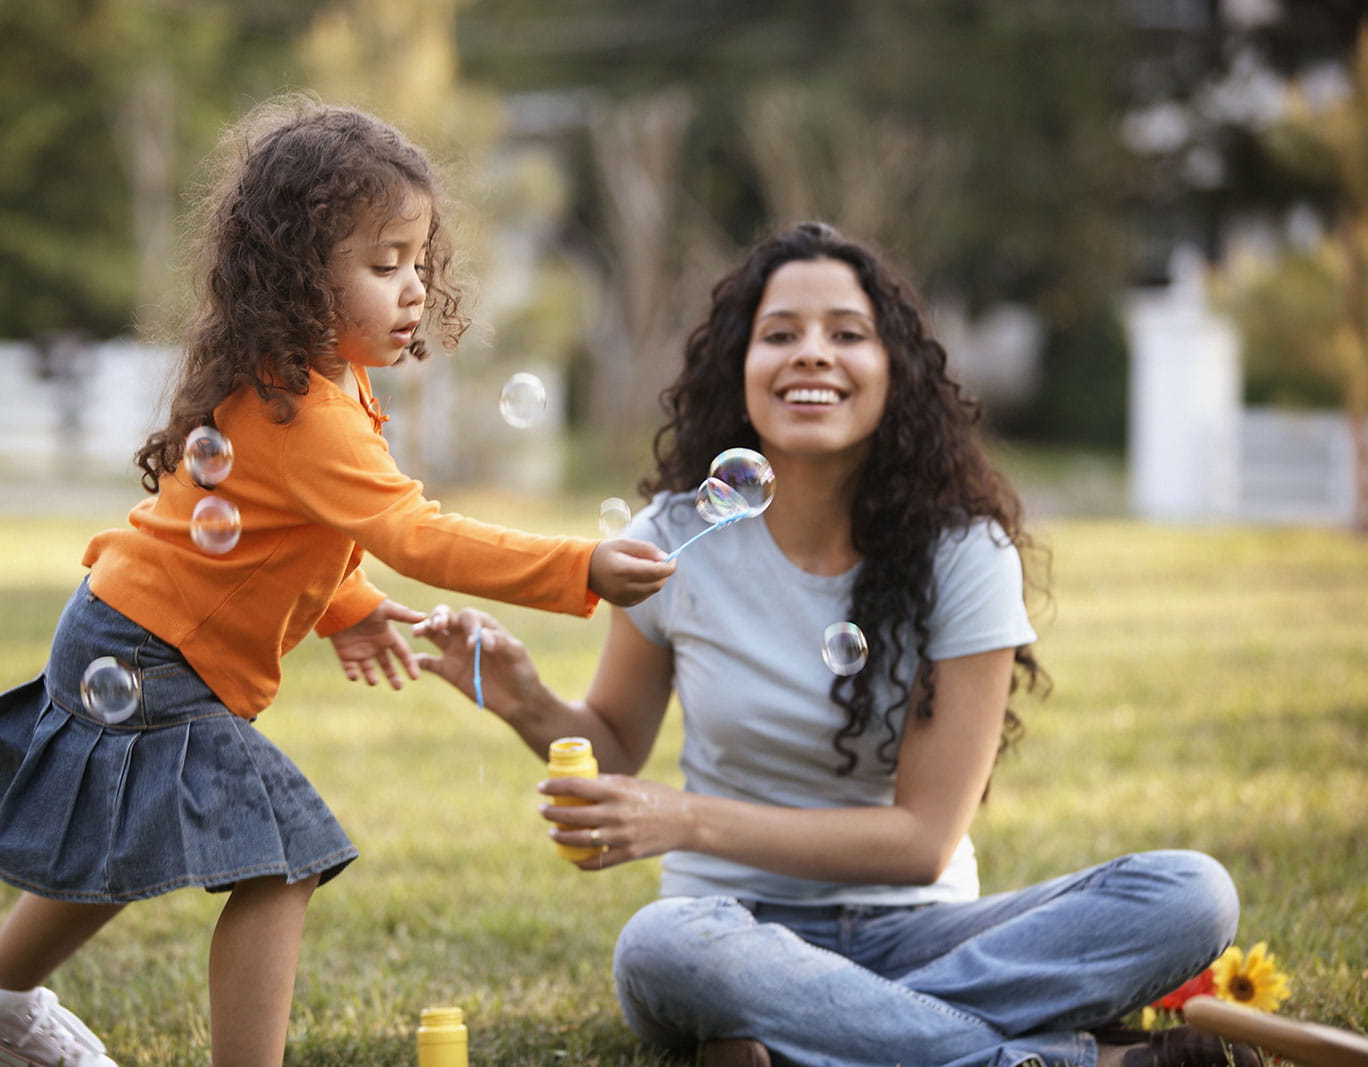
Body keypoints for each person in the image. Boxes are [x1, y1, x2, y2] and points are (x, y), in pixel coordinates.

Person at [0, 96, 674, 1067]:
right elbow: (411, 531)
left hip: (133, 636)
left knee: (119, 838)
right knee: (282, 860)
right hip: (150, 653)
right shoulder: (304, 409)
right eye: (383, 264)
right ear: (298, 274)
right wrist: (580, 565)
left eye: (417, 261)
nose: (412, 290)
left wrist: (349, 607)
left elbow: (284, 532)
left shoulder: (305, 381)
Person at [413, 222, 1258, 1067]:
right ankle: (1053, 1058)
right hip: (732, 928)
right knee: (660, 946)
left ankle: (820, 1037)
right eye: (780, 334)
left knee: (1190, 894)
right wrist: (521, 694)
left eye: (847, 334)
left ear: (895, 373)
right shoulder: (675, 539)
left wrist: (689, 819)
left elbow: (924, 838)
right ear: (739, 373)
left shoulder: (962, 552)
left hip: (923, 930)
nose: (812, 353)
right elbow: (614, 746)